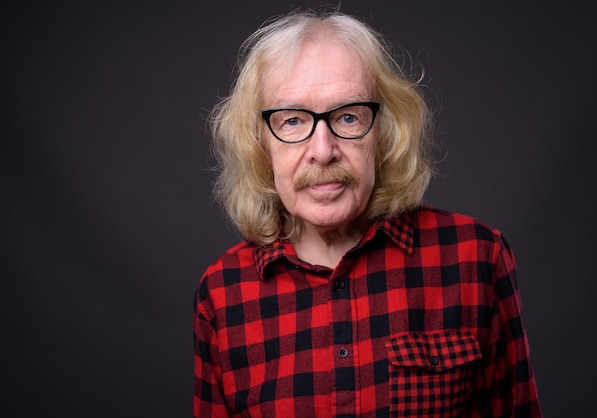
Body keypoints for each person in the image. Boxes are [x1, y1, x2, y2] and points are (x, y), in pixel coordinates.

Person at [194, 9, 542, 418]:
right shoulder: (222, 294)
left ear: (382, 131)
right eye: (291, 120)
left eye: (347, 116)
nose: (323, 151)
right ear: (261, 146)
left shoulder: (477, 259)